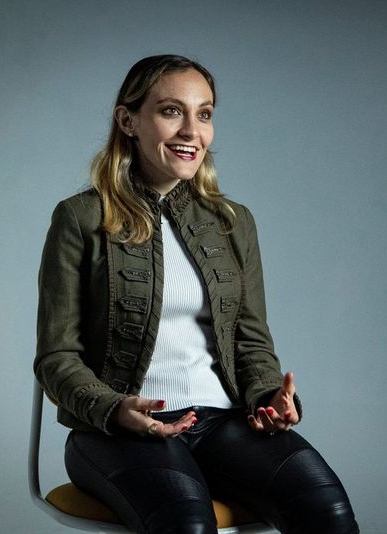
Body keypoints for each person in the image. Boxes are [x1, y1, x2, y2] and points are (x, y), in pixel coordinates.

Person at [34, 54, 359, 534]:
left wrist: (270, 399)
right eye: (171, 111)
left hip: (221, 423)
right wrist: (114, 408)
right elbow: (56, 356)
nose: (192, 130)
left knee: (327, 511)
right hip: (113, 430)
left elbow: (250, 339)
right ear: (128, 120)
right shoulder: (81, 218)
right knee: (188, 523)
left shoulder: (232, 222)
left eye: (203, 114)